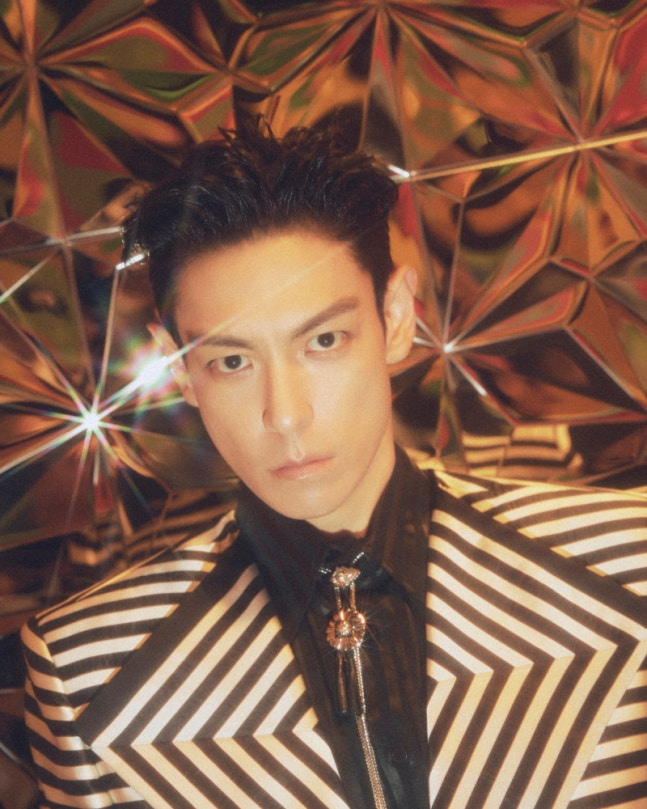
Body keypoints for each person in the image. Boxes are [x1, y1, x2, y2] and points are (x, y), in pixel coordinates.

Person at [21, 116, 647, 809]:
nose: (284, 414)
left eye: (323, 340)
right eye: (232, 361)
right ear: (180, 371)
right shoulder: (87, 669)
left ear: (396, 318)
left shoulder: (626, 561)